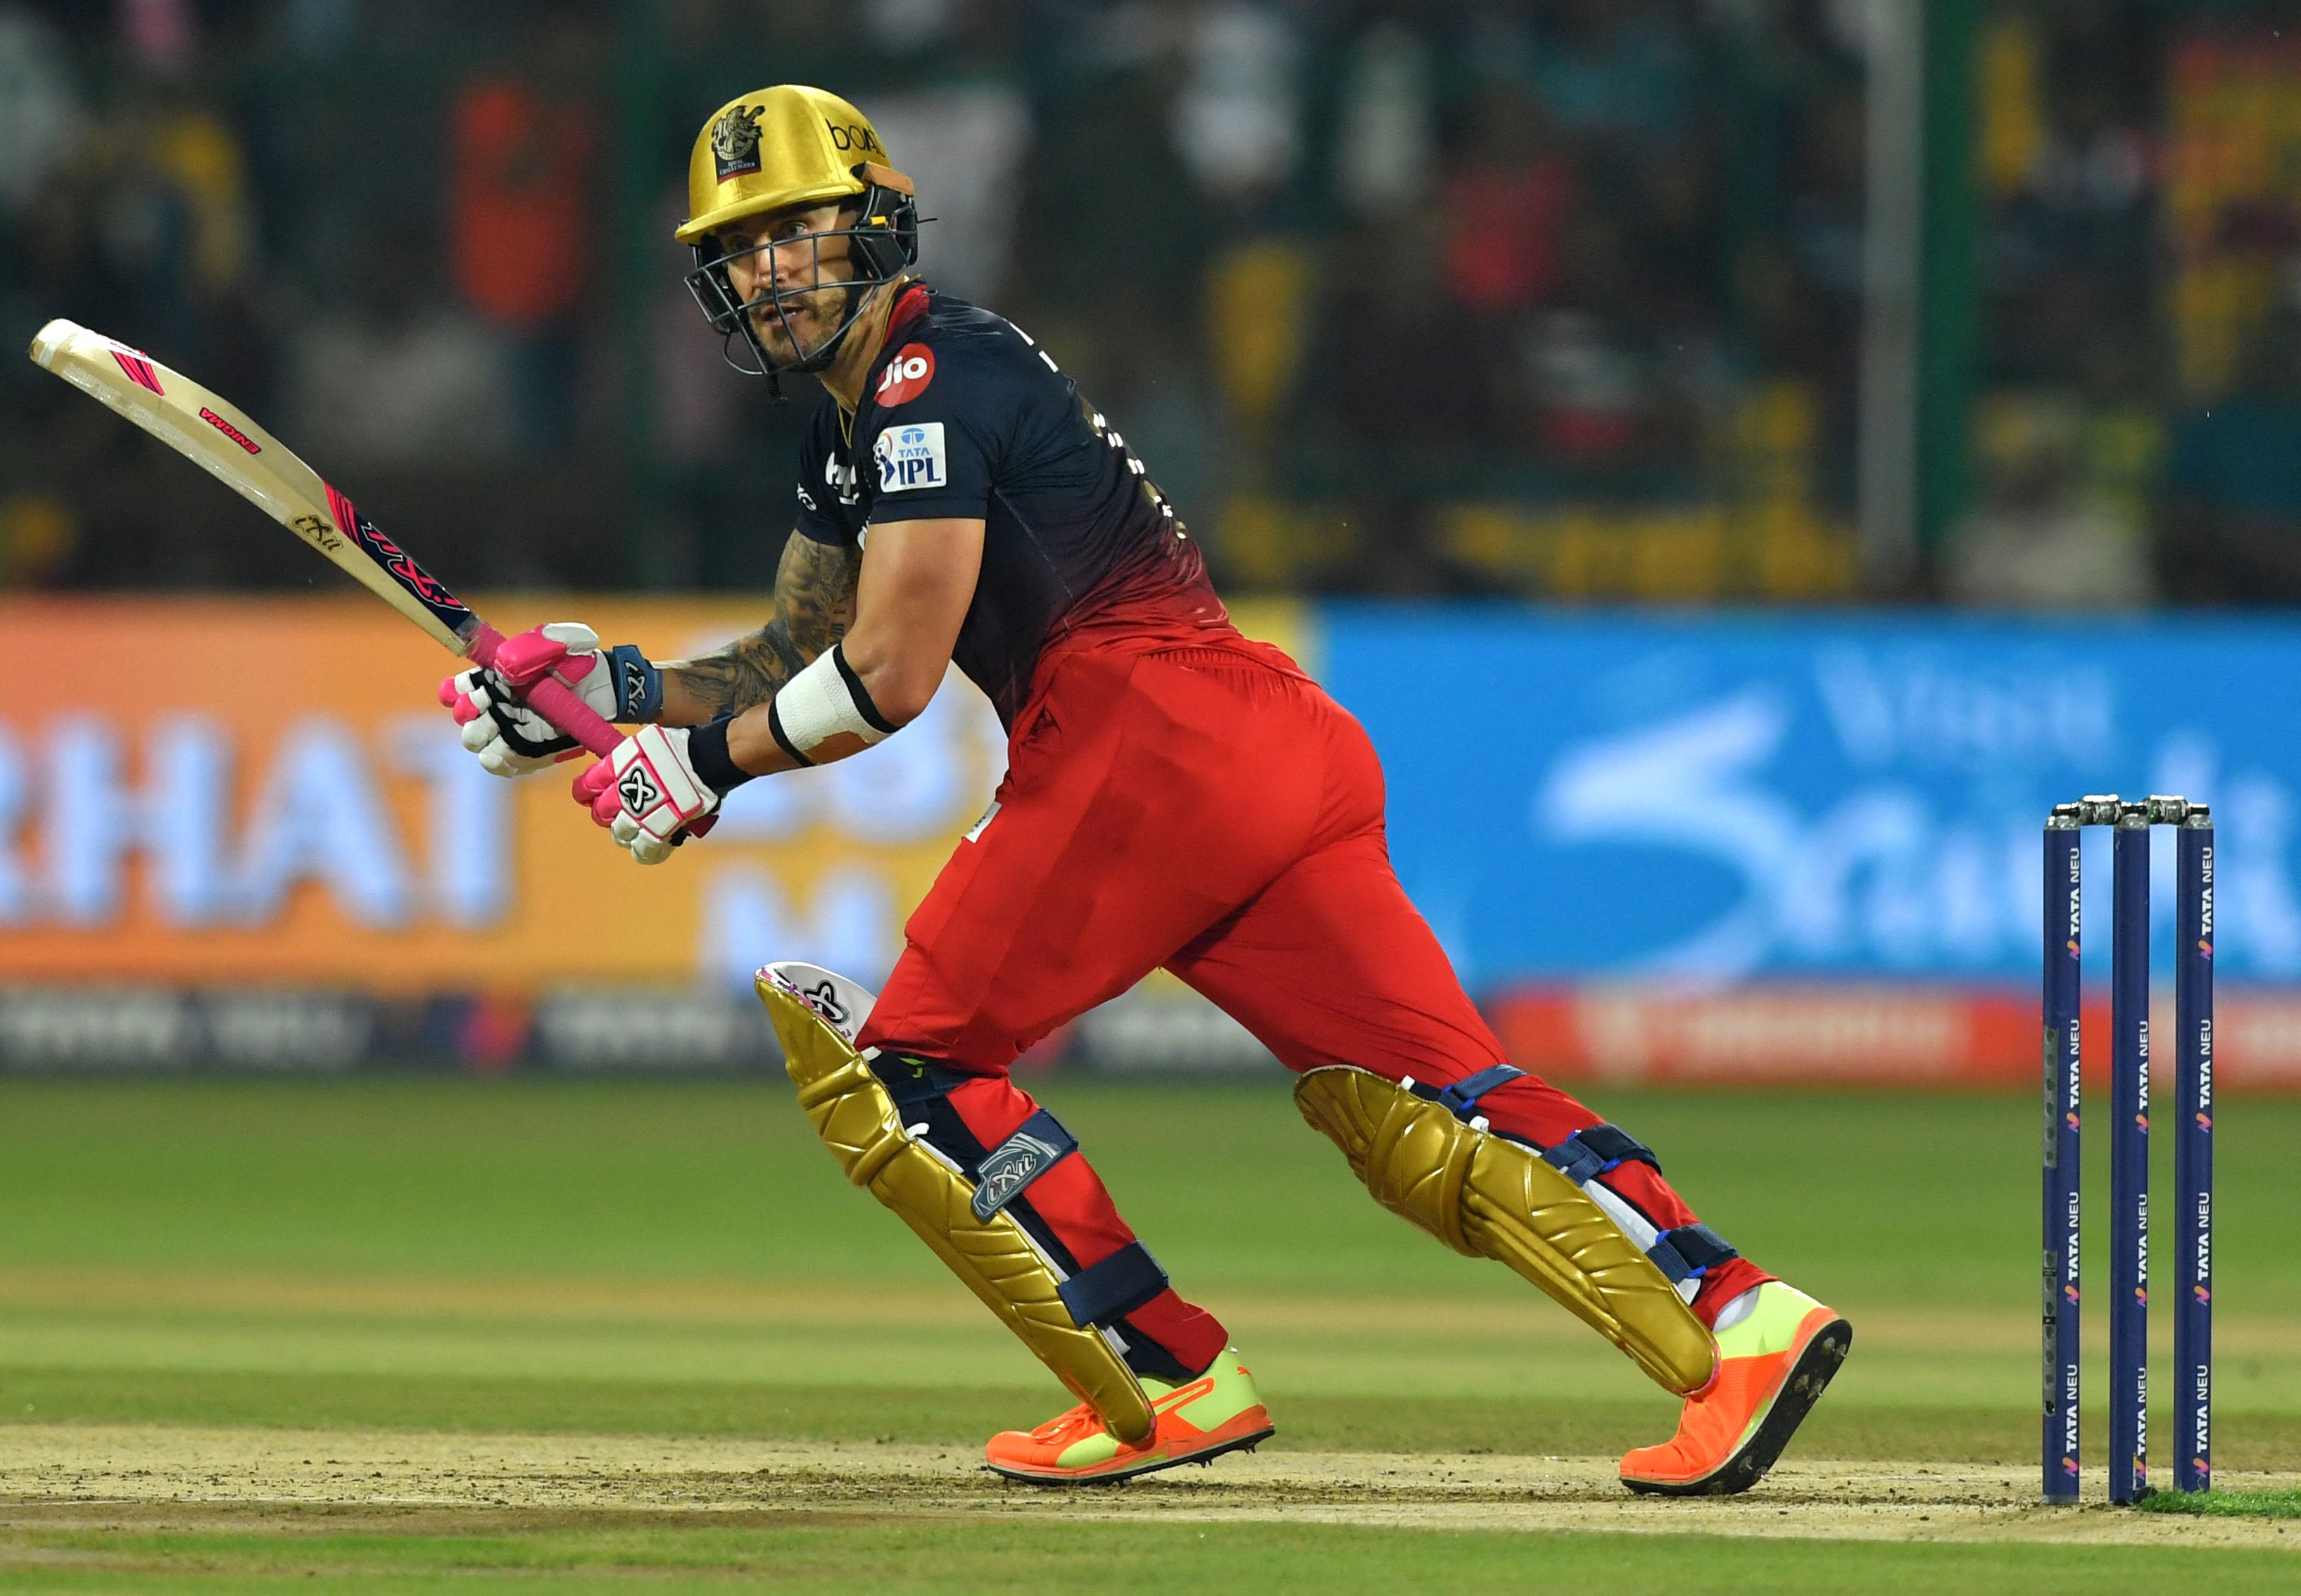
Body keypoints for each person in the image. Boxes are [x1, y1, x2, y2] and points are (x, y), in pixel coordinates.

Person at [441, 86, 1851, 1492]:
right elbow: (785, 656)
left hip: (1141, 744)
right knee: (1434, 1112)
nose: (768, 271)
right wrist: (611, 688)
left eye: (793, 231)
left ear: (872, 224)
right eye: (740, 248)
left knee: (907, 1072)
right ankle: (1740, 1316)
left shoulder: (930, 378)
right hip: (1263, 747)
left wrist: (700, 767)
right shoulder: (853, 429)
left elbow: (889, 671)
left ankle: (1167, 1374)